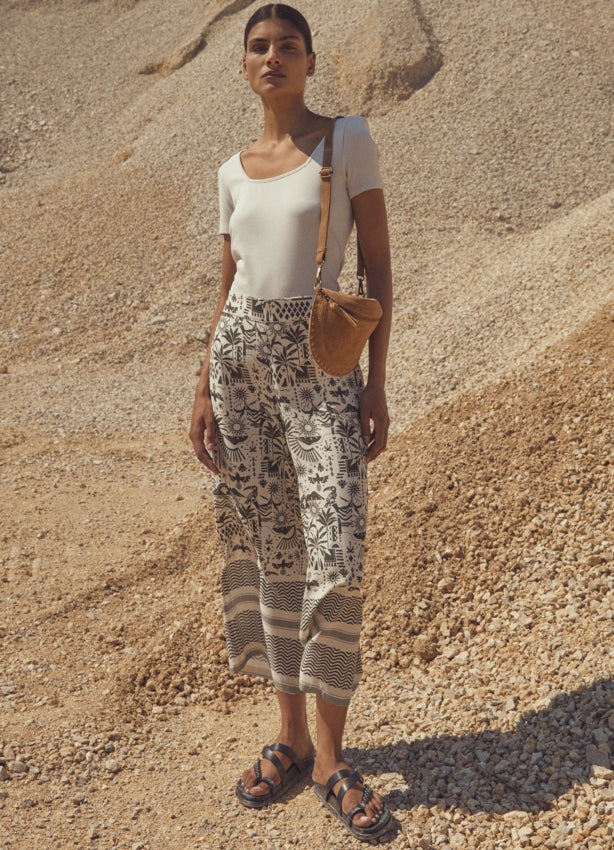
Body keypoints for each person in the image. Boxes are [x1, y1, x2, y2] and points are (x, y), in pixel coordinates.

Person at [189, 3, 392, 841]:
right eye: (259, 47)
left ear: (310, 60)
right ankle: (293, 738)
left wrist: (378, 386)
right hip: (240, 373)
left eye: (288, 46)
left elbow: (377, 268)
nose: (272, 57)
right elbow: (227, 284)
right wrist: (202, 388)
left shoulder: (347, 139)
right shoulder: (232, 171)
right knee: (272, 551)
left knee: (336, 553)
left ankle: (336, 755)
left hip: (321, 370)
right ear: (243, 66)